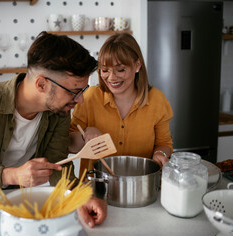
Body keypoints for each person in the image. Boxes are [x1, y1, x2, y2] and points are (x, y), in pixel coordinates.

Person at [0, 31, 107, 228]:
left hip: (8, 201)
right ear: (41, 84)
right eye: (74, 91)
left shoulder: (59, 112)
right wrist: (12, 175)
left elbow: (58, 165)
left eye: (82, 91)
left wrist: (80, 196)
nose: (80, 99)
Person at [69, 32, 173, 178]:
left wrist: (160, 154)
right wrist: (84, 134)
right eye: (105, 70)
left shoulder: (157, 100)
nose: (111, 78)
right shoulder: (90, 97)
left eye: (120, 70)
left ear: (137, 65)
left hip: (140, 186)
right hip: (95, 187)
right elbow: (69, 145)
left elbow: (164, 143)